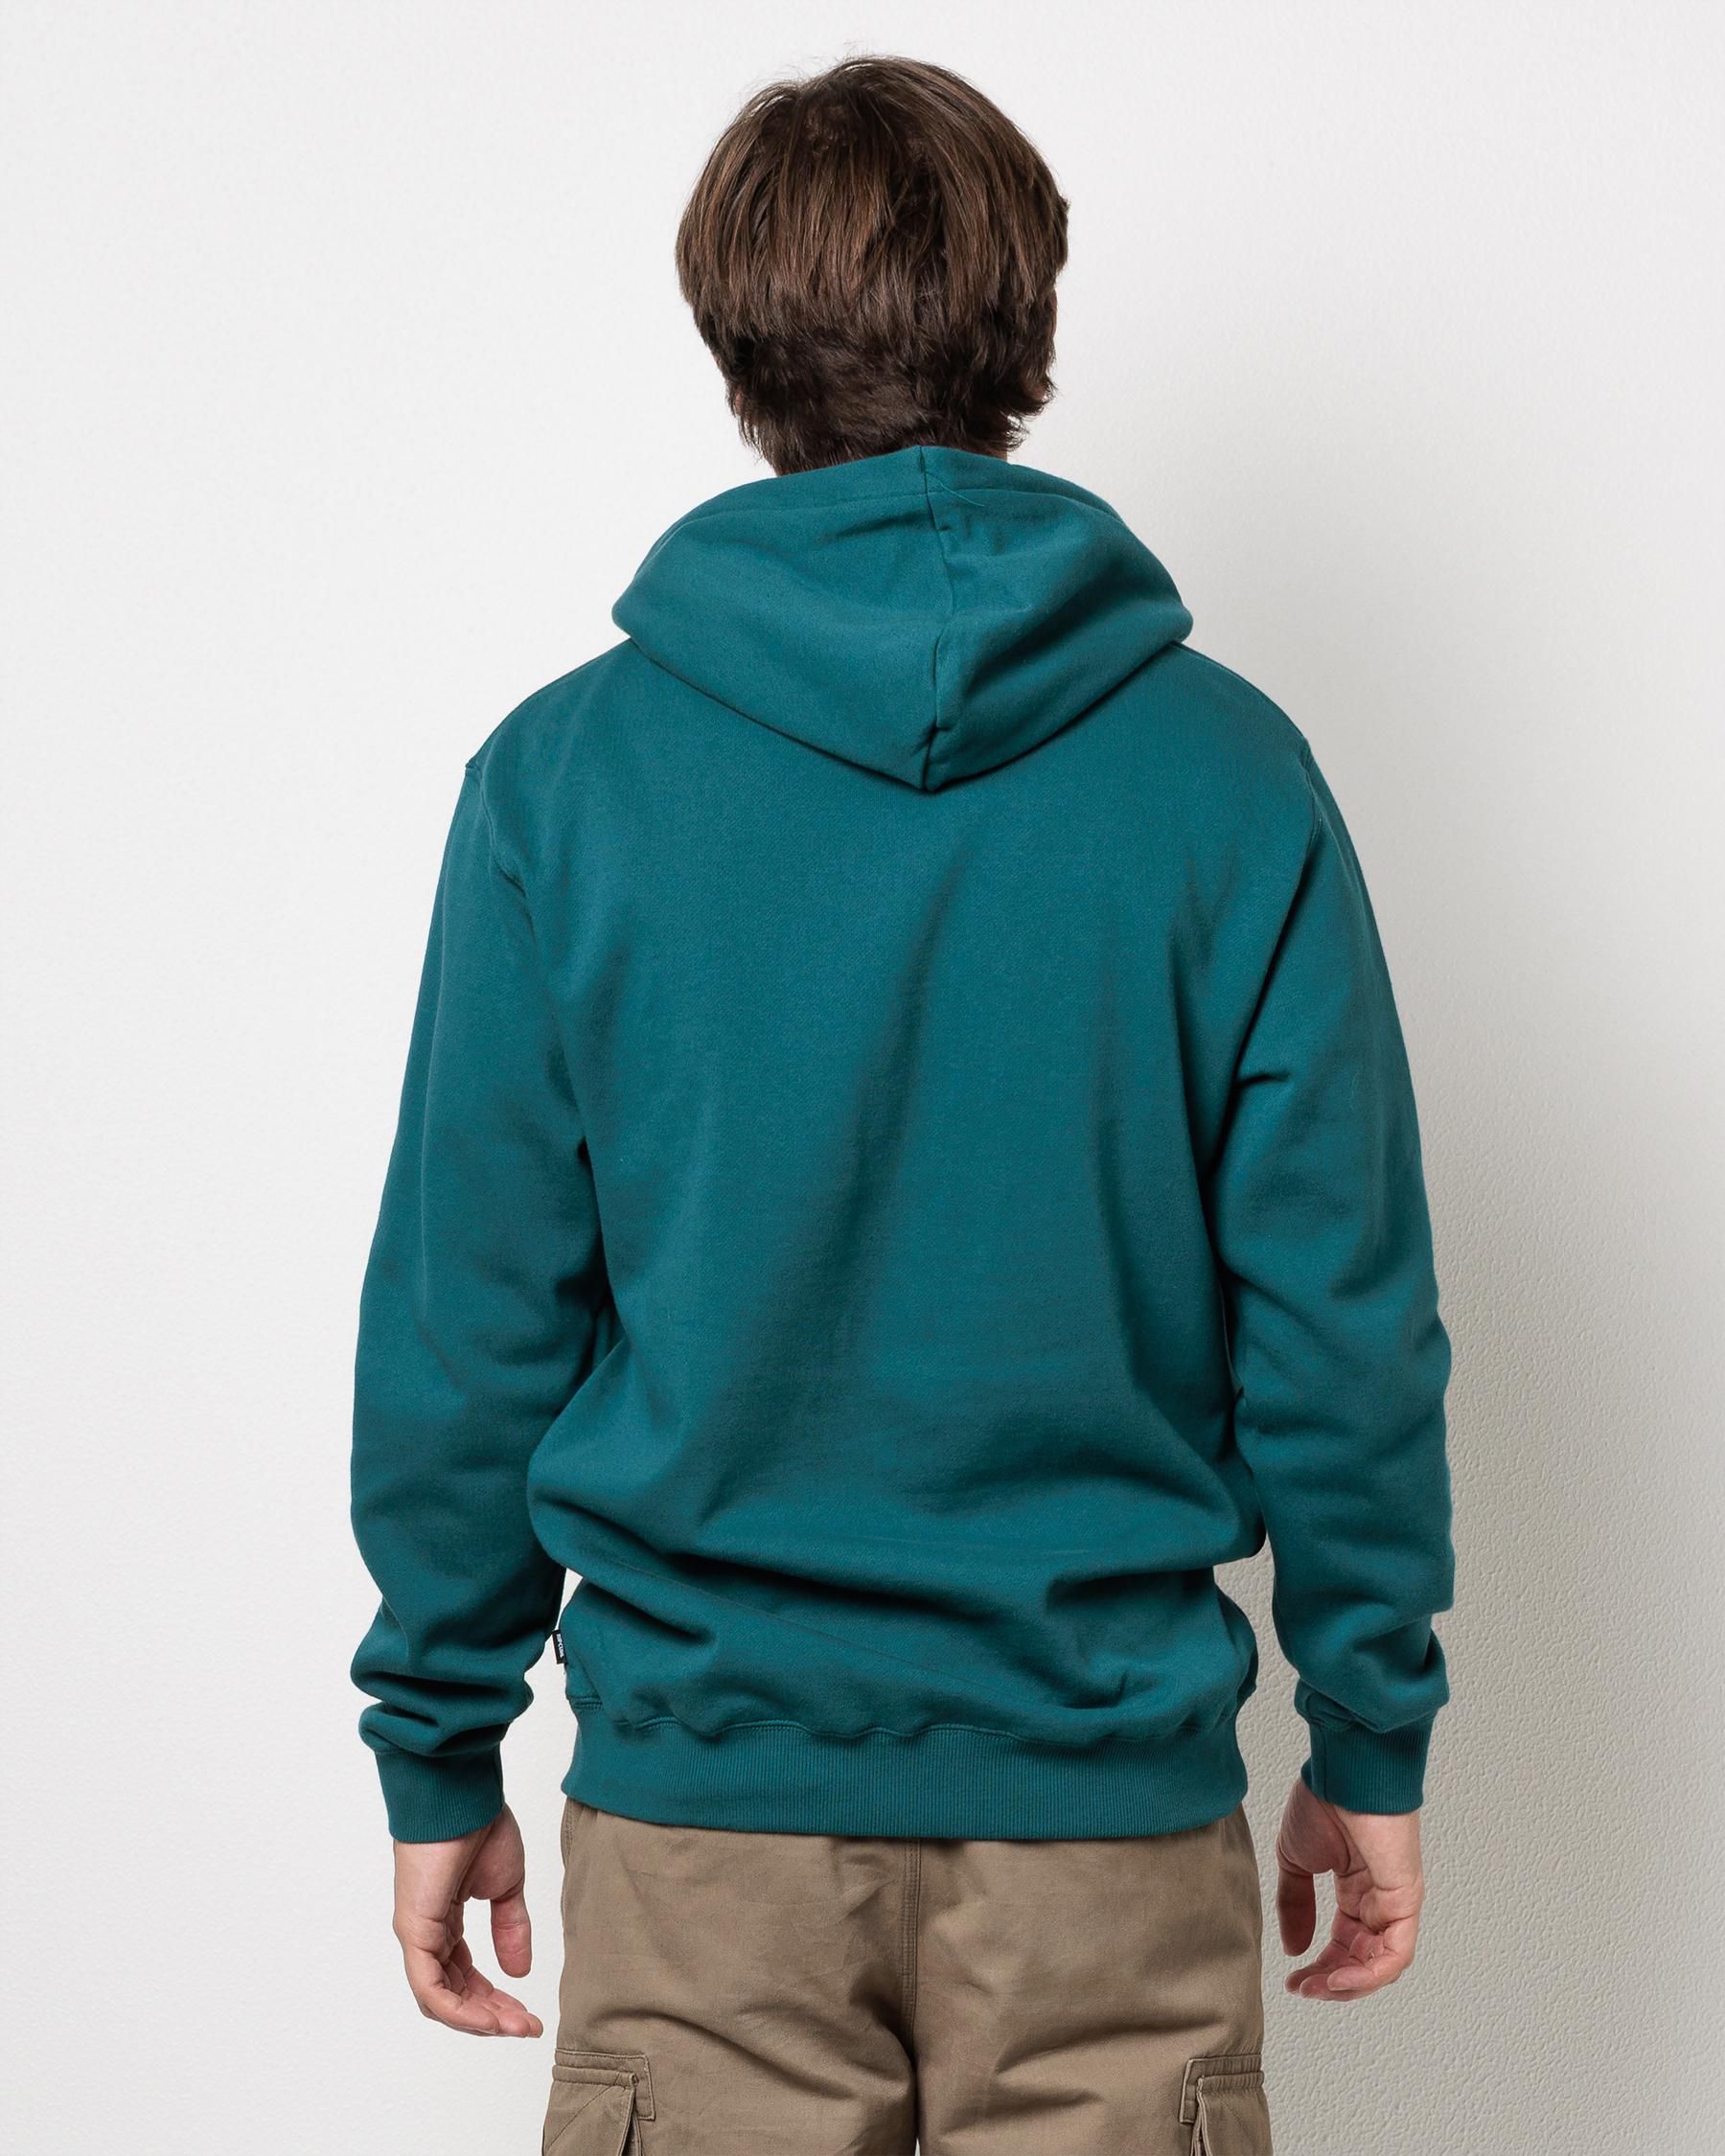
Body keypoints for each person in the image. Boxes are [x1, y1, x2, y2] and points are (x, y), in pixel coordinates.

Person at [350, 53, 1454, 2156]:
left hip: (705, 1833)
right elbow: (1345, 1323)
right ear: (1025, 328)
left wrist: (438, 1740)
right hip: (1108, 1827)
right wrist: (1371, 1729)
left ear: (736, 344)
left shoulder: (566, 784)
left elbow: (471, 1322)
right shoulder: (1231, 779)